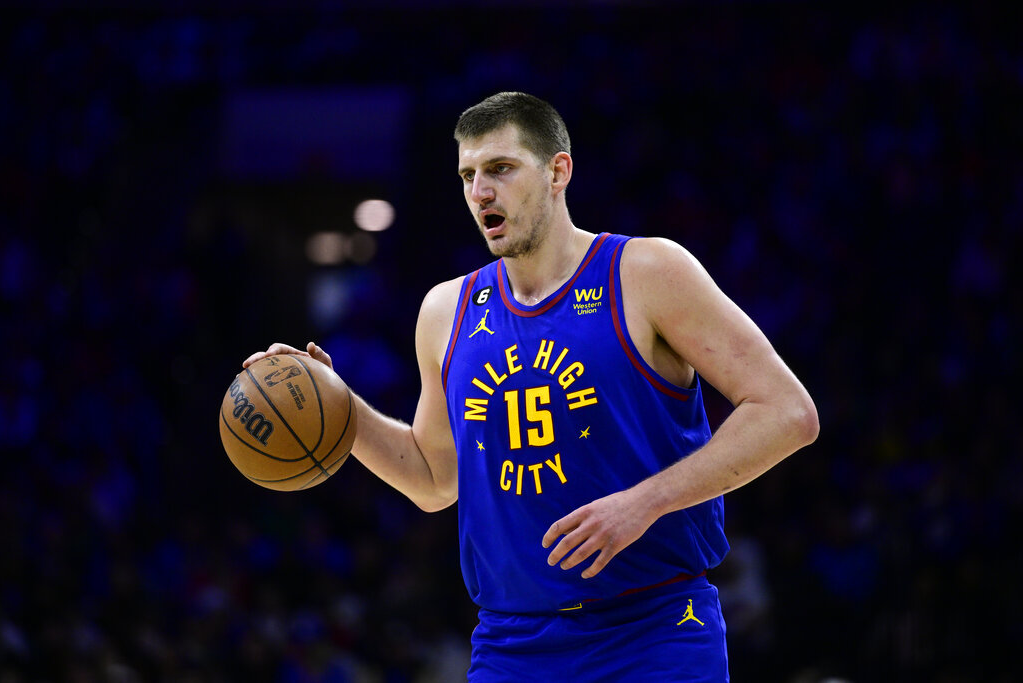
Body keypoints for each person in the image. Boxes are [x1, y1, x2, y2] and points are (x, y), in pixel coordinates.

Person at [244, 91, 818, 681]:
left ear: (557, 172)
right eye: (468, 175)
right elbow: (436, 479)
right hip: (511, 643)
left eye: (500, 169)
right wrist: (335, 405)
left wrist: (645, 502)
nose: (480, 192)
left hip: (653, 631)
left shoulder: (647, 273)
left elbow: (787, 412)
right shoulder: (446, 311)